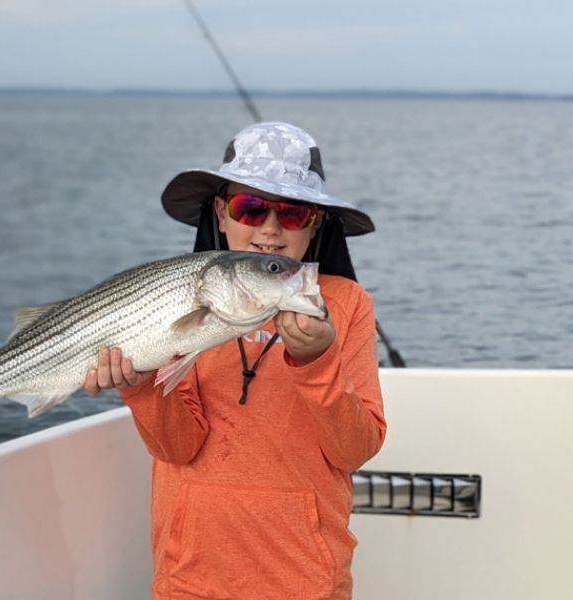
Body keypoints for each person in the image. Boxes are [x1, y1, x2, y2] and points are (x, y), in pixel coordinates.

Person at [84, 121, 386, 600]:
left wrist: (316, 361)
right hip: (189, 576)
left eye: (293, 213)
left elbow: (355, 450)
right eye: (250, 207)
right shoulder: (178, 302)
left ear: (316, 224)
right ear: (221, 215)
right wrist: (139, 385)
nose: (269, 228)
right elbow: (177, 448)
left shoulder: (346, 304)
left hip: (306, 581)